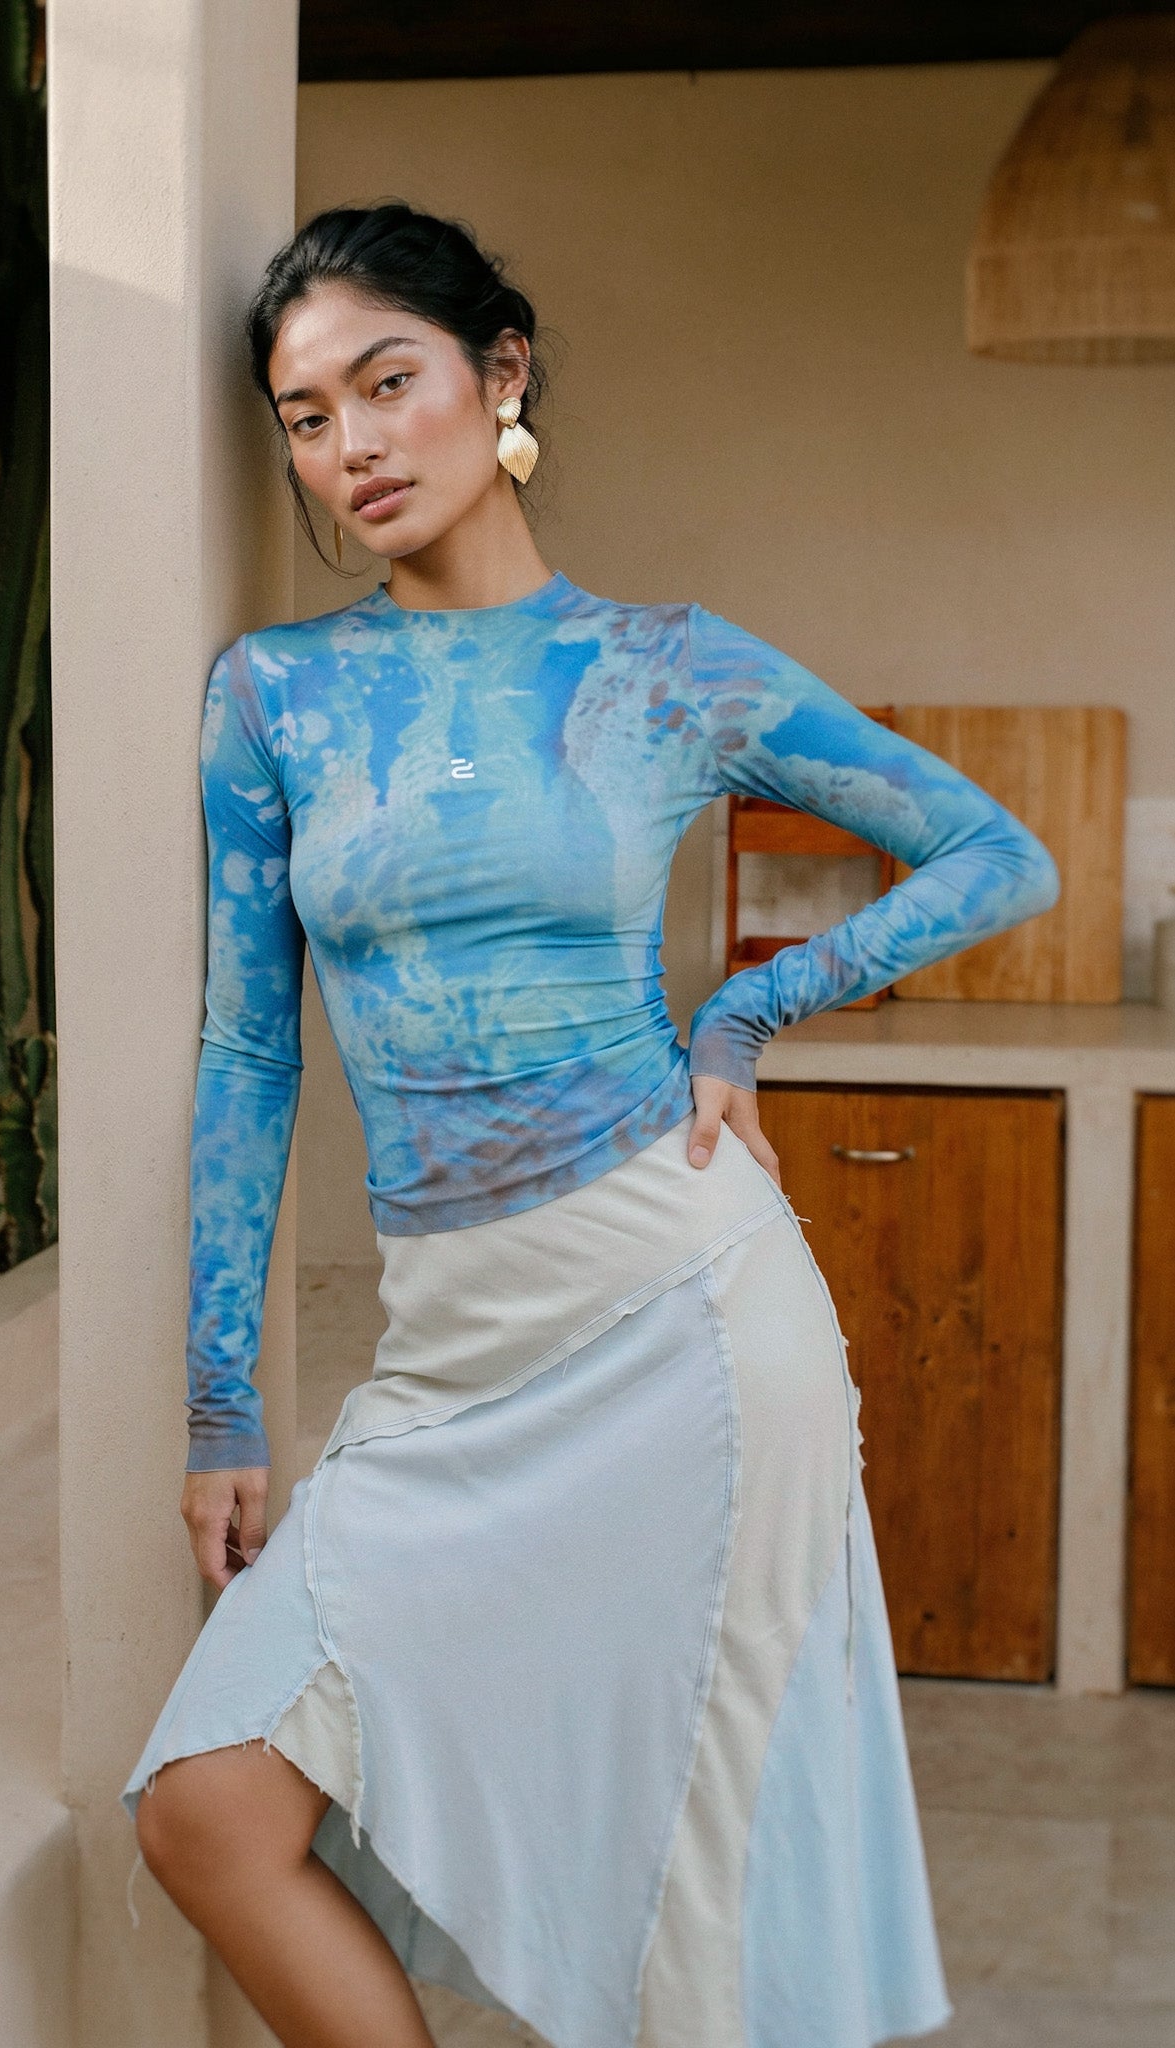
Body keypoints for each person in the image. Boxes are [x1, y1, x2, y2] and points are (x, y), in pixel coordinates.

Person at [121, 201, 1059, 2048]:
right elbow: (248, 1057)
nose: (354, 444)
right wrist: (220, 1394)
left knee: (692, 1915)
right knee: (210, 1809)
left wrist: (748, 1006)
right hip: (450, 1353)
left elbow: (990, 852)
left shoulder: (663, 667)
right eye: (307, 416)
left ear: (502, 373)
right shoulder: (276, 696)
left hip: (685, 1316)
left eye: (388, 383)